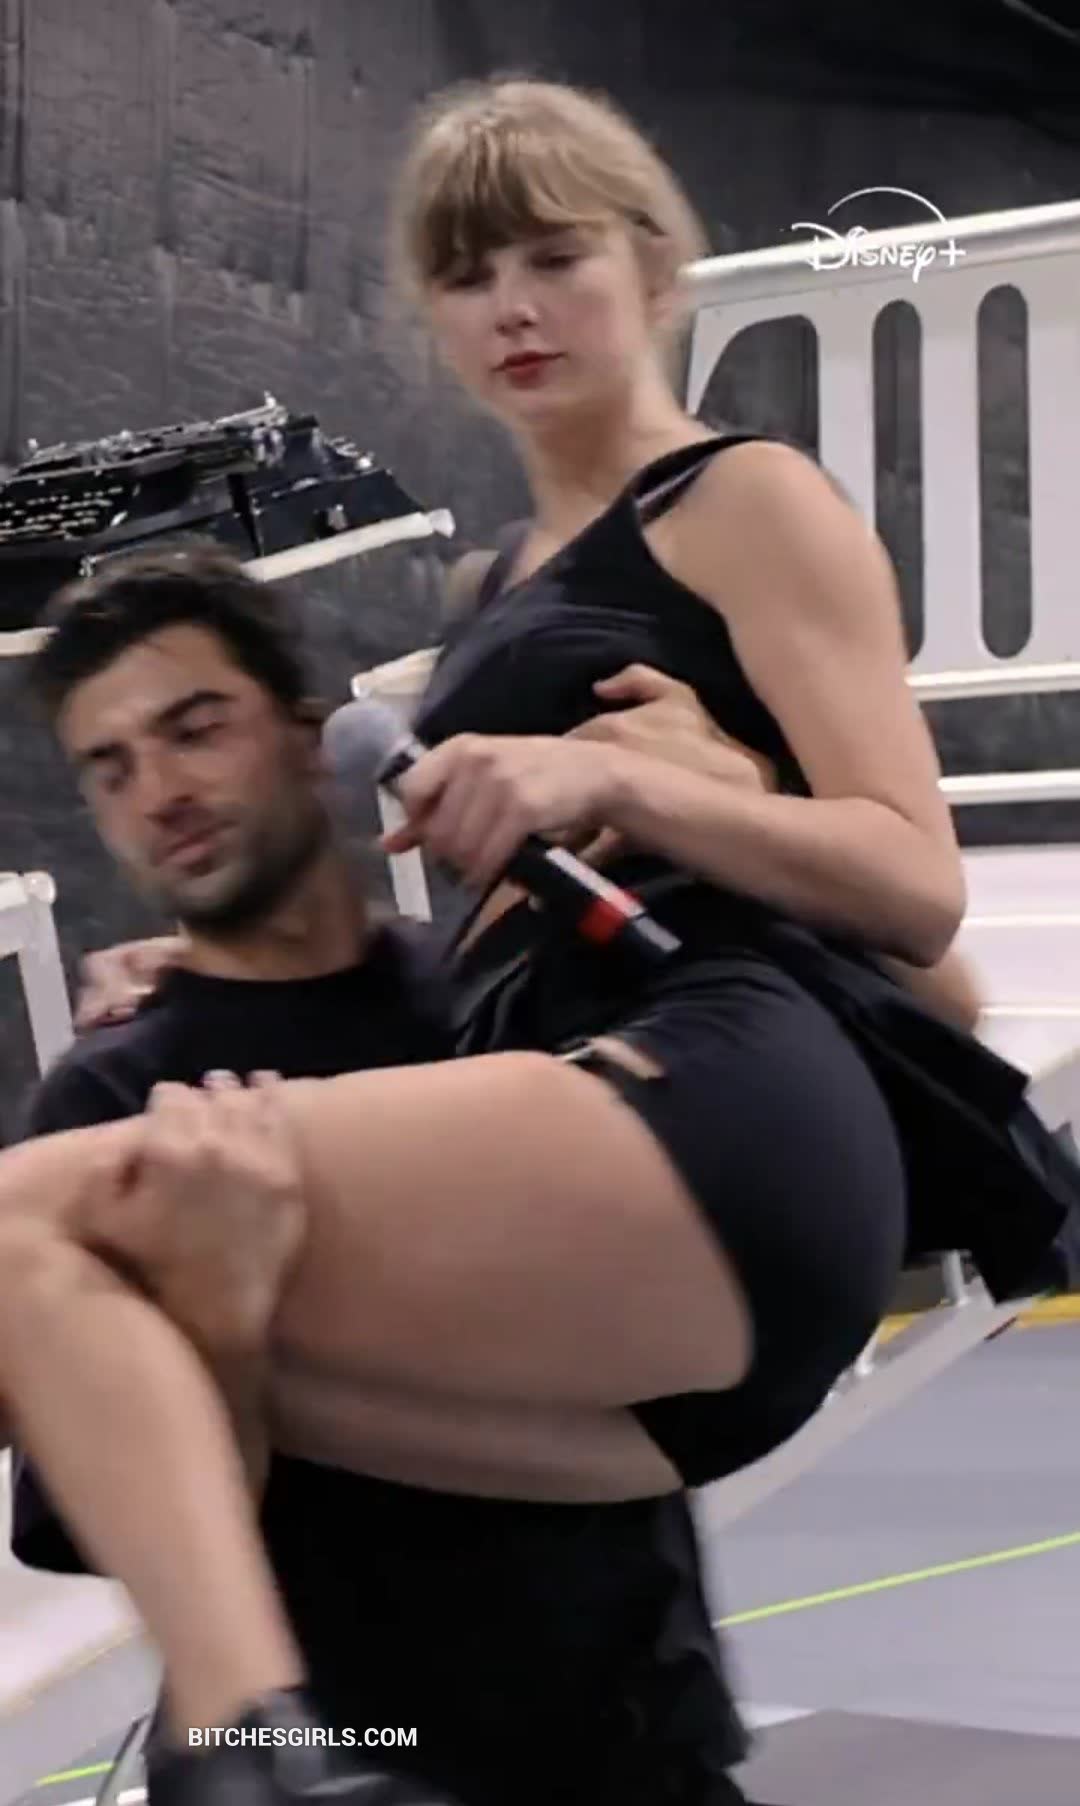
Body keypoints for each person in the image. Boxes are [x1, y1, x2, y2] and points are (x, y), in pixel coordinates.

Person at [0, 73, 1066, 1806]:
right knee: (101, 1283)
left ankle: (249, 1759)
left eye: (553, 257)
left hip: (716, 1087)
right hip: (619, 1212)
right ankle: (266, 1749)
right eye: (466, 274)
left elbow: (919, 898)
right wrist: (211, 975)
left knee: (31, 1218)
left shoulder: (737, 499)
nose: (511, 306)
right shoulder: (492, 585)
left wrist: (632, 782)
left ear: (654, 266)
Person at [8, 546, 761, 1805]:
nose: (161, 794)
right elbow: (176, 1550)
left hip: (641, 1742)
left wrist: (715, 777)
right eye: (112, 768)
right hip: (363, 1767)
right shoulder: (110, 1109)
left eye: (196, 730)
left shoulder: (497, 999)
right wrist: (224, 1315)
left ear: (309, 739)